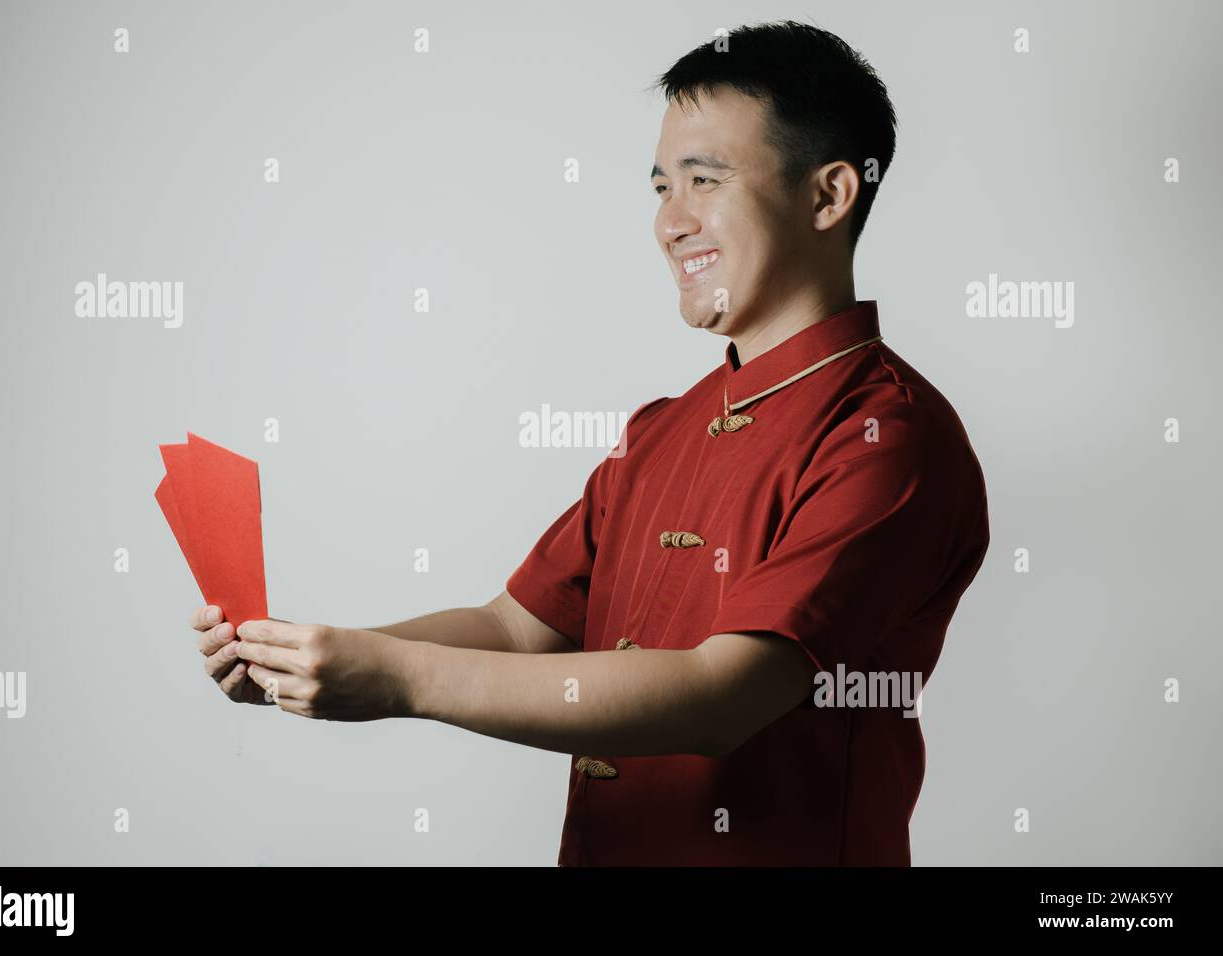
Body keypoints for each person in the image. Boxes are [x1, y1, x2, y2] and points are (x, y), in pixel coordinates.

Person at [191, 19, 990, 866]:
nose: (672, 223)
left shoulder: (888, 436)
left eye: (704, 180)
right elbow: (513, 628)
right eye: (659, 188)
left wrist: (396, 679)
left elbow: (724, 694)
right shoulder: (659, 432)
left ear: (829, 196)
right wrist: (308, 661)